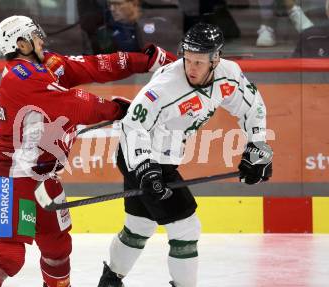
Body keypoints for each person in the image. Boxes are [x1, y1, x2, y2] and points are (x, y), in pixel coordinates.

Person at [0, 15, 176, 287]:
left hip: (44, 177)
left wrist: (146, 61)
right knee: (9, 255)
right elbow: (75, 105)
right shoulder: (20, 76)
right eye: (35, 35)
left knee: (57, 249)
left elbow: (95, 66)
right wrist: (118, 110)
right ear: (21, 43)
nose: (41, 40)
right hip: (13, 178)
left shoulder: (48, 64)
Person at [97, 22, 273, 287]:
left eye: (198, 62)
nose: (190, 67)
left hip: (163, 159)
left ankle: (109, 282)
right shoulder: (166, 86)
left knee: (139, 225)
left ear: (216, 59)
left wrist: (257, 146)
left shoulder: (230, 75)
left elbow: (252, 106)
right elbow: (133, 125)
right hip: (142, 158)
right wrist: (145, 168)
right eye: (187, 59)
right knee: (186, 228)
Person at [83, 0, 179, 54]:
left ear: (134, 3)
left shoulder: (158, 24)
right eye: (110, 5)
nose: (112, 9)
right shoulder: (104, 33)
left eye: (117, 4)